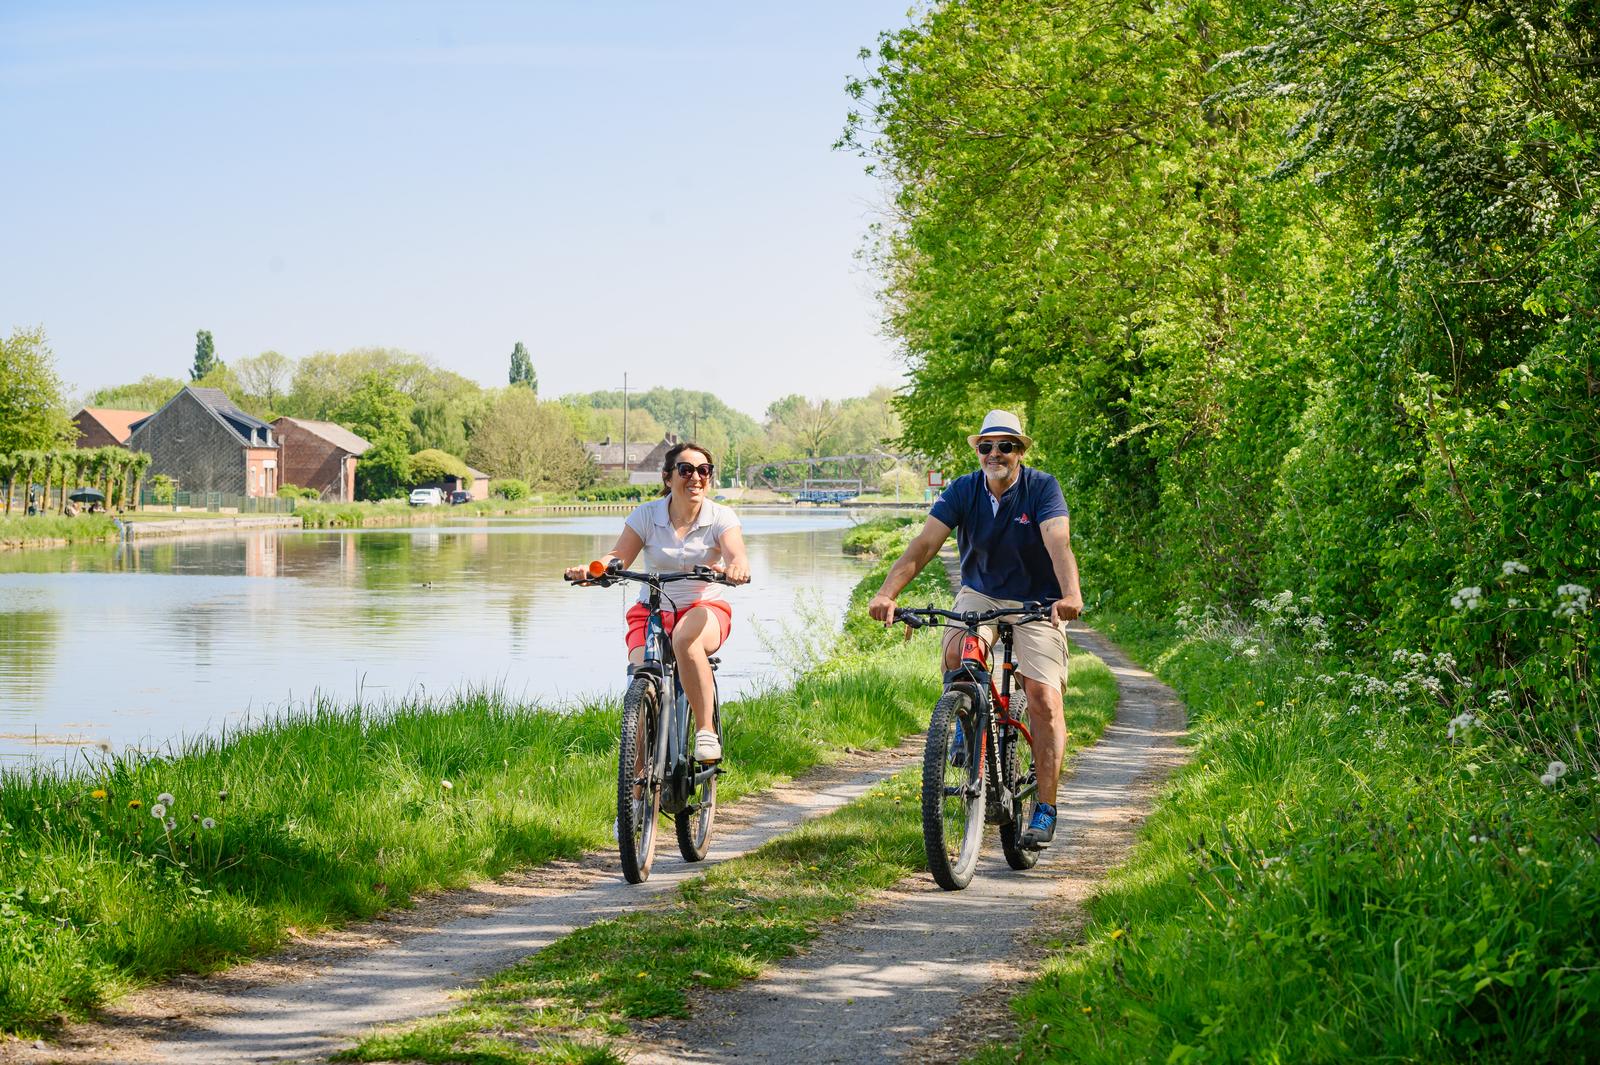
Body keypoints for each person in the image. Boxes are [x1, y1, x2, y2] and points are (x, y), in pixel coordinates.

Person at [867, 409, 1083, 849]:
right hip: (980, 594)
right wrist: (887, 593)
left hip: (1037, 601)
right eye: (986, 446)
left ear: (1020, 451)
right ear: (978, 451)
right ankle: (966, 724)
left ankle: (1046, 806)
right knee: (957, 654)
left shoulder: (1042, 488)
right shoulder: (963, 490)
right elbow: (925, 544)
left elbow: (1057, 541)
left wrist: (1070, 594)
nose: (994, 453)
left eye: (1005, 445)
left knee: (1042, 697)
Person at [566, 441, 750, 762]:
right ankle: (635, 802)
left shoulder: (721, 516)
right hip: (651, 612)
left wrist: (735, 568)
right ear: (668, 477)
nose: (696, 477)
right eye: (686, 470)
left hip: (703, 610)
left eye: (704, 471)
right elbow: (618, 556)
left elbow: (736, 554)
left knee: (684, 639)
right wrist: (594, 570)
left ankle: (705, 731)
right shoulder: (647, 515)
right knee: (639, 686)